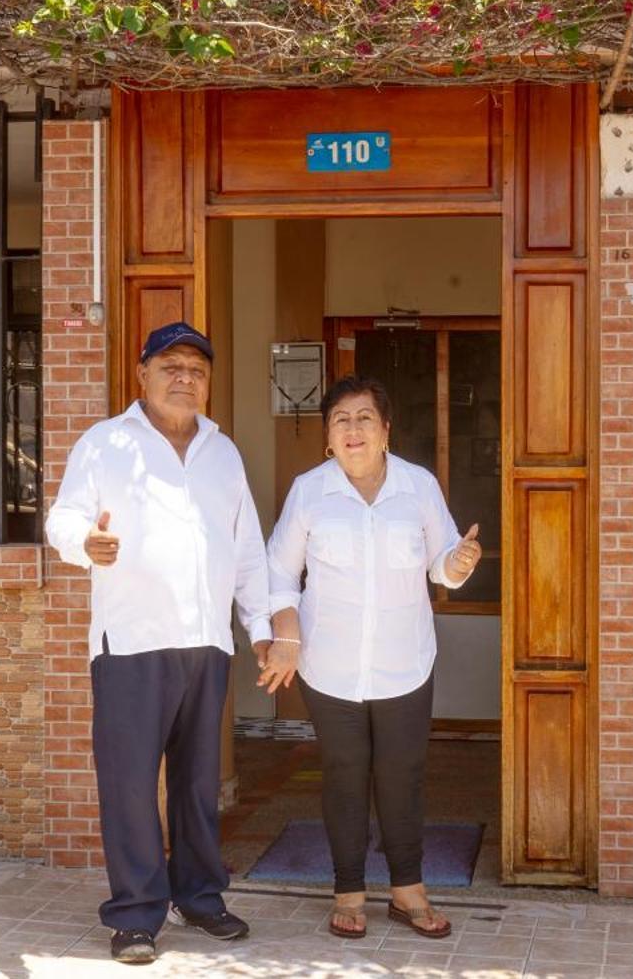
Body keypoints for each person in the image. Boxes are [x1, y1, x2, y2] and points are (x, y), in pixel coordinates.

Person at [46, 320, 274, 967]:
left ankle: (200, 897)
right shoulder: (104, 443)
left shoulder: (223, 454)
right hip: (131, 643)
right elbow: (62, 516)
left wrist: (260, 629)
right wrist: (83, 541)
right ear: (141, 373)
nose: (184, 378)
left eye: (197, 370)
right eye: (170, 365)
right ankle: (136, 913)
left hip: (206, 642)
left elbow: (247, 550)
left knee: (199, 784)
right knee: (129, 785)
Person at [256, 375, 484, 941]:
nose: (352, 429)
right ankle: (349, 890)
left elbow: (442, 562)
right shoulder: (310, 490)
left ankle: (408, 891)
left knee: (403, 776)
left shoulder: (418, 486)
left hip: (405, 661)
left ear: (386, 430)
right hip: (328, 666)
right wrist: (284, 634)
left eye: (364, 418)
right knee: (345, 775)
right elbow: (279, 570)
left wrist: (461, 563)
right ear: (328, 439)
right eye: (340, 420)